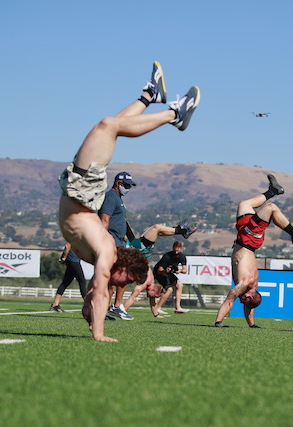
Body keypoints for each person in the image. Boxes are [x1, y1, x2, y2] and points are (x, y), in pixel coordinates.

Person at [58, 61, 200, 341]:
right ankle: (172, 112)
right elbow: (98, 293)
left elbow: (96, 296)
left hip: (81, 191)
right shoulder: (108, 255)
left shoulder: (106, 256)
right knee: (109, 126)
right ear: (122, 268)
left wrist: (94, 327)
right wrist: (97, 328)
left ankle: (152, 98)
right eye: (127, 279)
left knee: (110, 127)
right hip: (82, 191)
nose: (122, 285)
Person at [214, 174, 293, 328]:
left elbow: (249, 307)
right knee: (271, 208)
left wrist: (252, 325)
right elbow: (230, 300)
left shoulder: (251, 288)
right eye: (244, 299)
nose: (242, 300)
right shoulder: (244, 285)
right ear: (249, 295)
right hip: (248, 239)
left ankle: (273, 191)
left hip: (244, 238)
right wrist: (218, 321)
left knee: (244, 204)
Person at [98, 170, 197, 320]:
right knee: (118, 278)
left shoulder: (118, 199)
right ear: (118, 183)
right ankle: (115, 307)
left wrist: (127, 240)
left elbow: (119, 223)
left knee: (114, 280)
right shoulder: (111, 197)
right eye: (127, 185)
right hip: (115, 243)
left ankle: (110, 309)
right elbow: (104, 219)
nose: (128, 189)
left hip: (124, 243)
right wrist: (105, 240)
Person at [152, 241, 190, 315]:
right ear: (173, 248)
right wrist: (166, 270)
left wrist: (180, 271)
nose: (176, 252)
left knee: (180, 285)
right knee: (169, 290)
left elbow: (185, 270)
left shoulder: (182, 257)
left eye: (178, 250)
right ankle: (157, 308)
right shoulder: (167, 256)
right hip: (160, 273)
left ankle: (178, 308)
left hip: (168, 273)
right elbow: (159, 270)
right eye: (175, 250)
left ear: (181, 249)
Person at [50, 242, 88, 312]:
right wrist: (63, 258)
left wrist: (62, 258)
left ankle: (55, 305)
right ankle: (88, 305)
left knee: (65, 283)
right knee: (82, 281)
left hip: (73, 260)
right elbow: (67, 246)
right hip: (73, 261)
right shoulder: (75, 236)